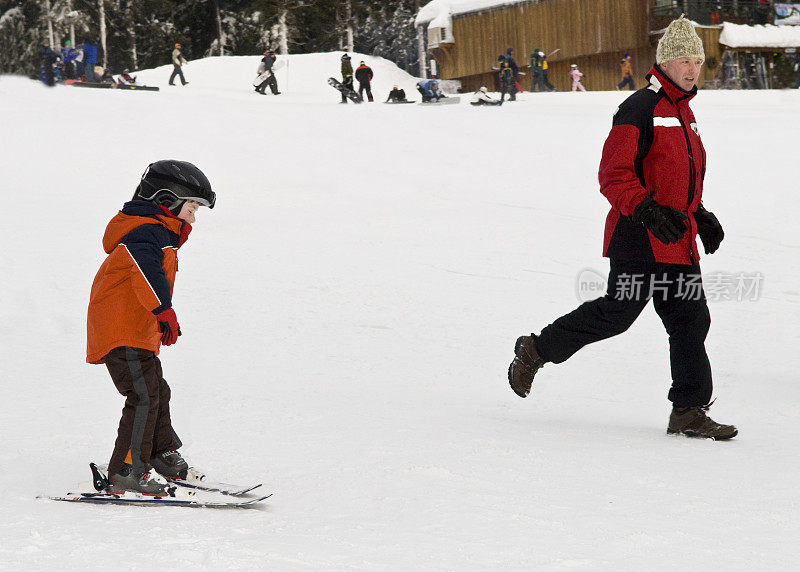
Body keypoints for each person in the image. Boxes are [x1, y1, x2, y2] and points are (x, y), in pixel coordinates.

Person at [507, 15, 737, 440]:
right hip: (639, 239)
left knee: (690, 320)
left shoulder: (684, 113)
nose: (691, 69)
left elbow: (675, 178)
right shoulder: (638, 108)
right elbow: (613, 177)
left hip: (676, 241)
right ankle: (536, 349)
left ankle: (688, 410)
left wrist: (699, 213)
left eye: (697, 61)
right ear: (664, 63)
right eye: (684, 60)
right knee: (617, 314)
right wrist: (648, 211)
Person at [86, 160, 216, 494]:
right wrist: (164, 311)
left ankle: (160, 454)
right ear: (168, 200)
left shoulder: (156, 231)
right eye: (192, 207)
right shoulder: (145, 233)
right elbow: (147, 273)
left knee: (157, 389)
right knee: (142, 396)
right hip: (121, 330)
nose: (194, 216)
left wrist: (158, 318)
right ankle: (127, 470)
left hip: (135, 329)